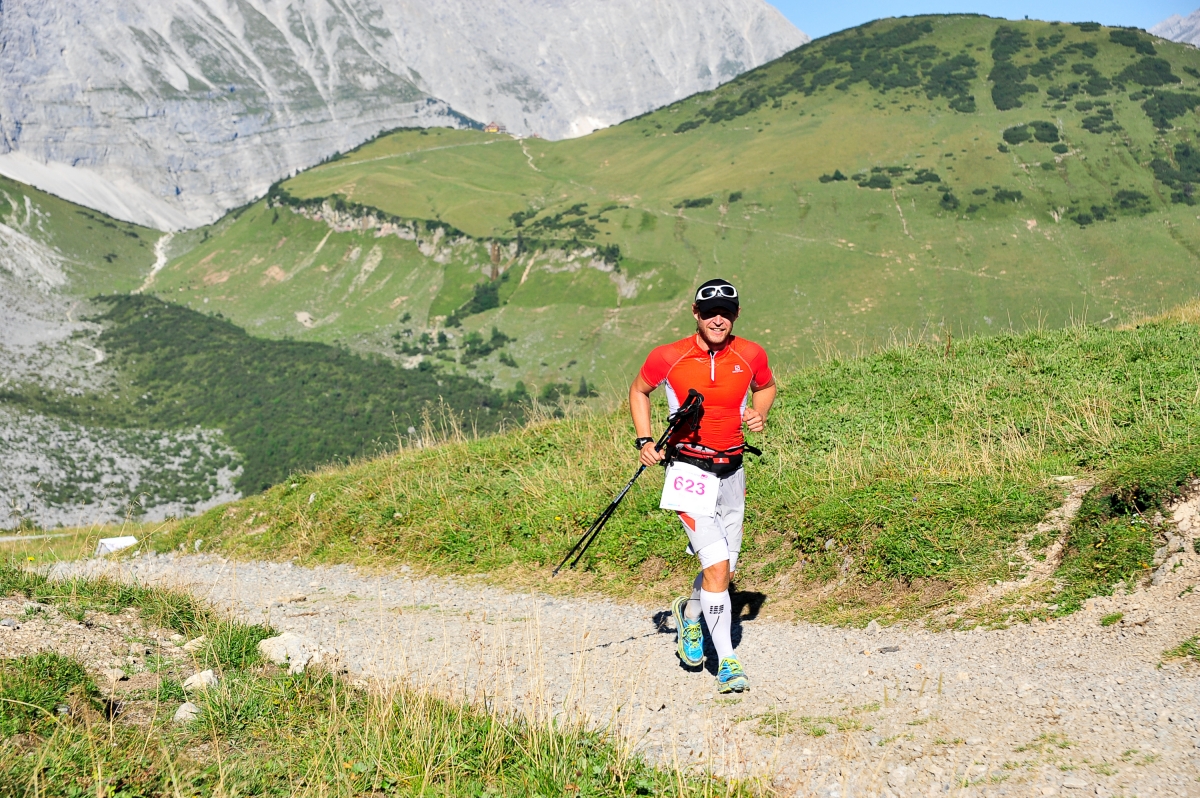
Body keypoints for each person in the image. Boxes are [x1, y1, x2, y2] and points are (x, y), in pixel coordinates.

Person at [629, 278, 776, 693]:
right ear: (695, 313)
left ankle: (690, 616)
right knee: (715, 567)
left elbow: (766, 386)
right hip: (687, 473)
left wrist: (759, 412)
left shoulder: (750, 354)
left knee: (725, 569)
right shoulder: (668, 356)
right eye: (710, 312)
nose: (718, 319)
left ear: (736, 315)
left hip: (733, 471)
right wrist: (644, 440)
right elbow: (639, 390)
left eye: (726, 312)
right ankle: (727, 662)